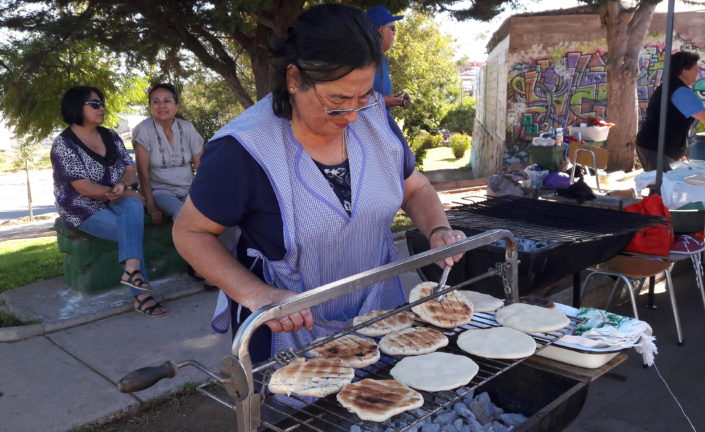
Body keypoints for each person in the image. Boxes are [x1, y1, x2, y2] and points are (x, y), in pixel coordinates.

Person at [172, 4, 464, 364]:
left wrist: (437, 229)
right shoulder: (242, 151)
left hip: (381, 311)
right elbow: (190, 233)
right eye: (338, 100)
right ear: (294, 80)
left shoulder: (375, 119)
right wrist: (257, 294)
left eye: (363, 96)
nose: (354, 115)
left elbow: (415, 188)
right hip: (290, 327)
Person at [50, 86, 167, 317]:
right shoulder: (64, 144)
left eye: (102, 103)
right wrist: (123, 193)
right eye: (94, 104)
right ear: (76, 107)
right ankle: (142, 296)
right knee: (130, 227)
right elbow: (83, 187)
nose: (102, 108)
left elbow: (129, 169)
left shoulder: (111, 136)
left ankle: (131, 270)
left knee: (133, 205)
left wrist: (124, 186)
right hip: (82, 207)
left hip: (118, 197)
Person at [636, 50, 705, 172]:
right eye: (695, 68)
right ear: (685, 71)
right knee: (662, 186)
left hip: (657, 147)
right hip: (655, 147)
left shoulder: (674, 88)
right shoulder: (679, 91)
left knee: (662, 185)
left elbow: (701, 112)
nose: (698, 71)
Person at [133, 83, 204, 224]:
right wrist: (151, 206)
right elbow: (143, 172)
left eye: (167, 101)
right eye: (155, 101)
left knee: (209, 214)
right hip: (160, 191)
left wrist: (206, 192)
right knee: (183, 215)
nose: (161, 106)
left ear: (176, 106)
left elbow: (200, 165)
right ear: (150, 107)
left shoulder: (187, 128)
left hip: (188, 188)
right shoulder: (143, 130)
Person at [367, 6, 411, 111]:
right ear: (381, 30)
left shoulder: (383, 60)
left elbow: (380, 95)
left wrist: (398, 99)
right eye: (393, 29)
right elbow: (348, 100)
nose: (394, 33)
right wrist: (384, 101)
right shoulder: (360, 59)